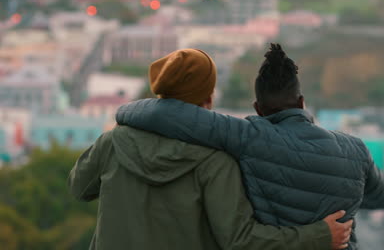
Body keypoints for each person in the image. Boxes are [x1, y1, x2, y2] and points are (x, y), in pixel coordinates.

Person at [69, 48, 353, 250]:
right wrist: (318, 236)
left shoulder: (113, 142)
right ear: (208, 96)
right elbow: (240, 240)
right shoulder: (215, 161)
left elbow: (79, 188)